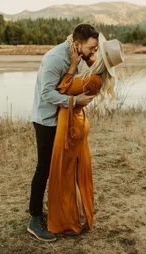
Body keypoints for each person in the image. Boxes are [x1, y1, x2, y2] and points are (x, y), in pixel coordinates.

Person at [46, 32, 125, 236]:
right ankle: (76, 216)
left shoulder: (92, 80)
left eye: (97, 51)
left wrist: (72, 65)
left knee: (65, 174)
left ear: (102, 60)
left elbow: (61, 88)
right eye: (95, 49)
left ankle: (68, 222)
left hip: (71, 125)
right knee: (71, 173)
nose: (94, 52)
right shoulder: (92, 77)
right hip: (75, 122)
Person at [27, 23, 100, 242]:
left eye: (96, 48)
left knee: (61, 169)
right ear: (77, 44)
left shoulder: (77, 57)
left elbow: (70, 83)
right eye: (91, 48)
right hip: (46, 119)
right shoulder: (55, 58)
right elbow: (47, 92)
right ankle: (35, 219)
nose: (93, 52)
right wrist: (75, 101)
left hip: (62, 118)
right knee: (44, 168)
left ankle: (60, 213)